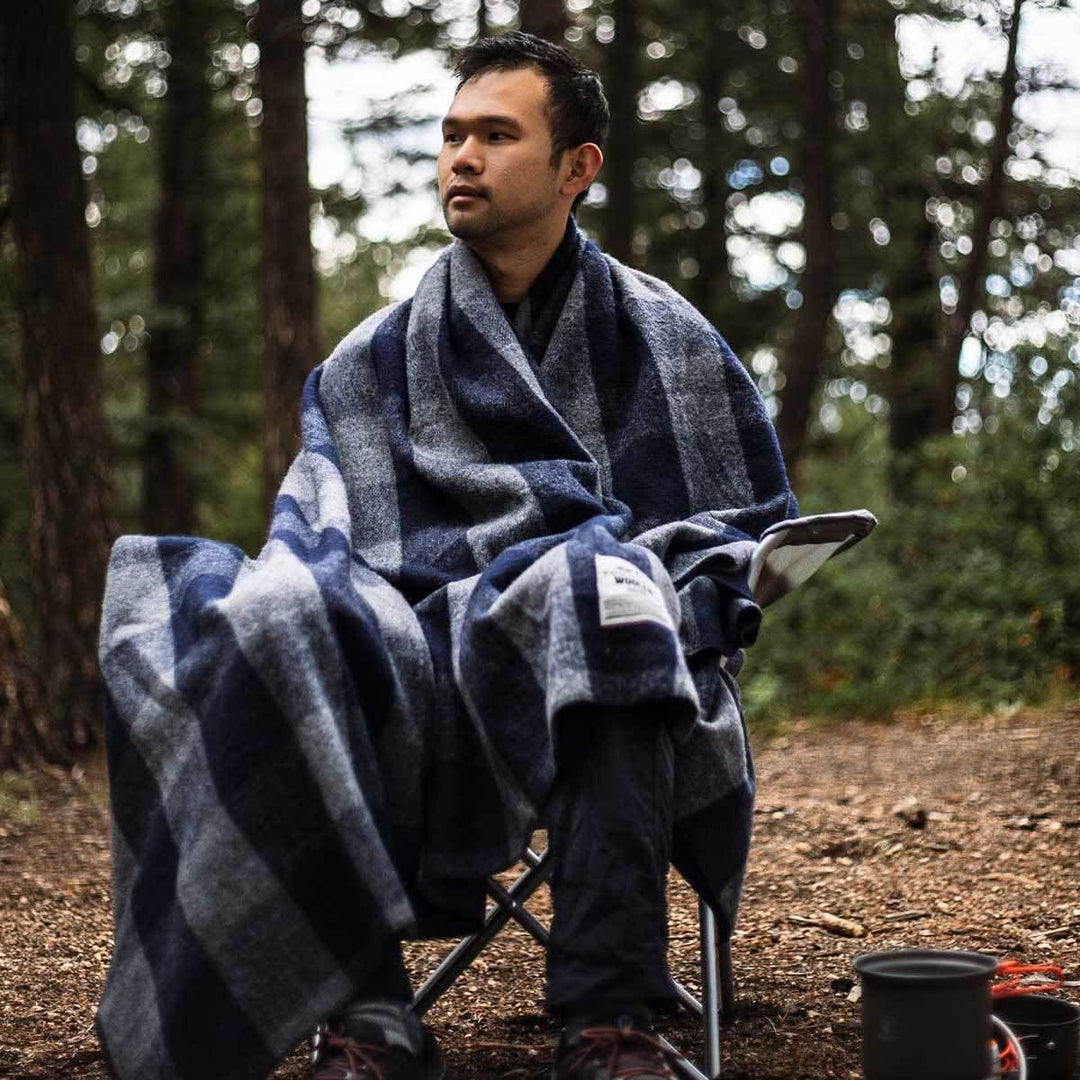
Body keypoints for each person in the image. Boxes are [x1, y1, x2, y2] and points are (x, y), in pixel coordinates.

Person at [96, 31, 797, 1080]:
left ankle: (610, 1014)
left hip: (607, 646)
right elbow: (321, 529)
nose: (462, 157)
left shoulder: (670, 337)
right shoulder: (372, 356)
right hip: (412, 641)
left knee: (604, 589)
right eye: (452, 135)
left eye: (497, 136)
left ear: (577, 167)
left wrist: (659, 581)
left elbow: (742, 528)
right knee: (295, 617)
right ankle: (368, 1017)